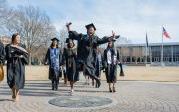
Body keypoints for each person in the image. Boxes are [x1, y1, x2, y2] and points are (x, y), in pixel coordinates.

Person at [66, 22, 119, 88]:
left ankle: (96, 79)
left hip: (90, 58)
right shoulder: (82, 36)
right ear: (87, 30)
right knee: (76, 70)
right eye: (90, 29)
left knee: (88, 69)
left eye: (92, 29)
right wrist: (68, 27)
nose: (91, 30)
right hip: (81, 57)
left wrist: (111, 38)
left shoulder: (95, 38)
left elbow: (103, 40)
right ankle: (73, 84)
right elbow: (73, 34)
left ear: (94, 31)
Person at [5, 33, 29, 101]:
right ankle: (13, 92)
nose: (19, 39)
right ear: (14, 38)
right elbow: (7, 56)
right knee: (11, 79)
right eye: (17, 37)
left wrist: (21, 56)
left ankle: (17, 94)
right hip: (11, 65)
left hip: (19, 64)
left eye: (19, 38)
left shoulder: (22, 46)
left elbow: (26, 55)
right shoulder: (8, 46)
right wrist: (12, 54)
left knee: (18, 80)